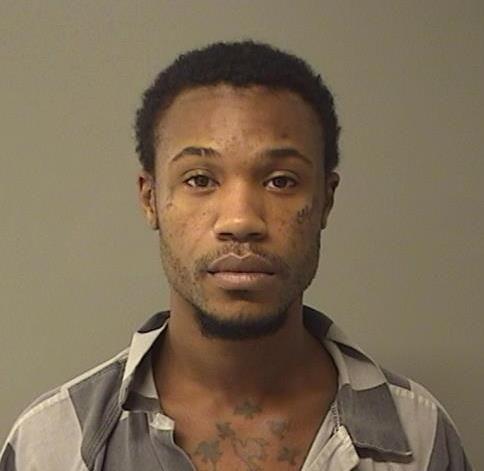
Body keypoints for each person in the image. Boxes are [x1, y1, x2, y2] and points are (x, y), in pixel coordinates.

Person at [0, 41, 472, 471]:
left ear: (325, 200)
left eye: (281, 181)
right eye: (200, 180)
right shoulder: (53, 446)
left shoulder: (421, 438)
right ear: (150, 199)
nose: (241, 220)